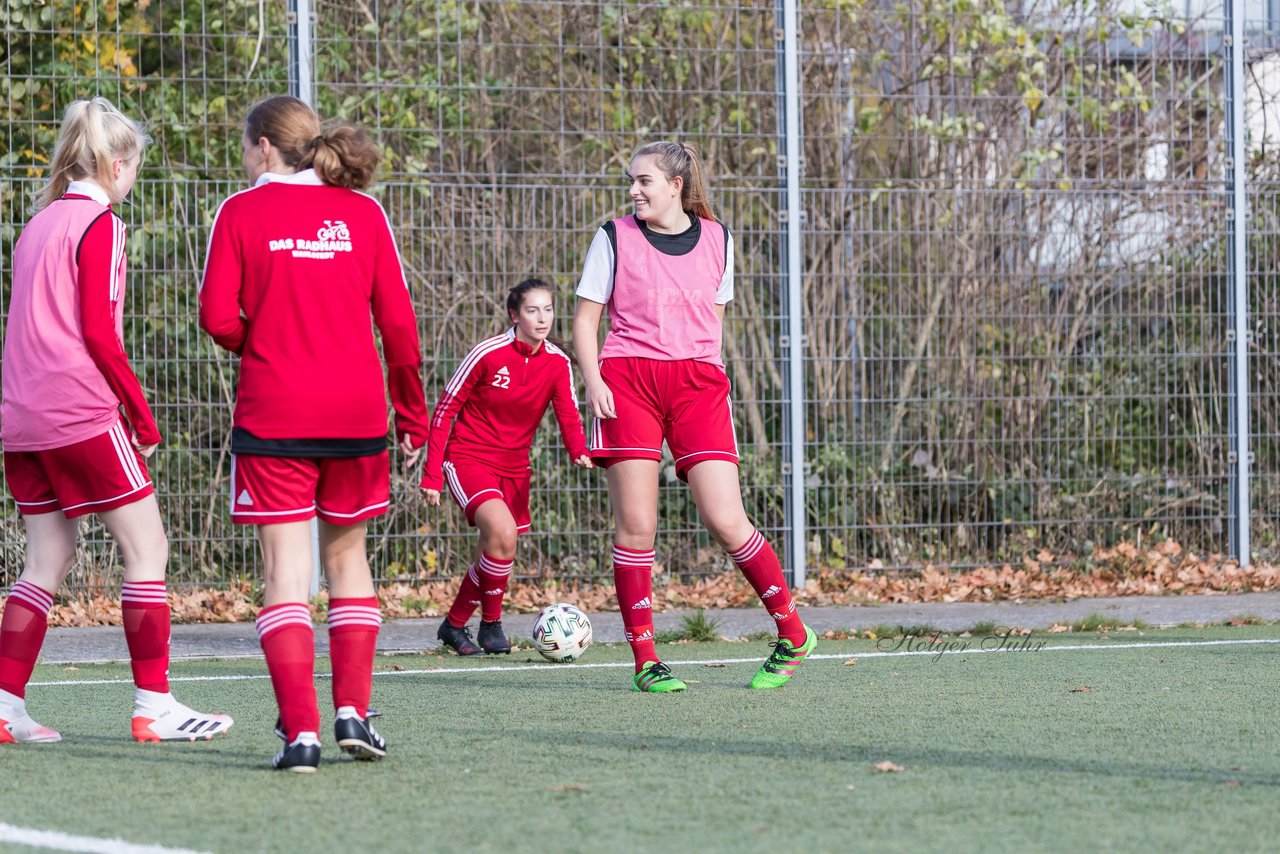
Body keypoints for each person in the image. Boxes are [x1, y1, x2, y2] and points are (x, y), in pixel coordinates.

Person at [199, 96, 429, 772]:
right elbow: (401, 329)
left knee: (285, 574)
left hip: (276, 415)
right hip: (357, 416)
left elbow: (217, 319)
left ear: (264, 148)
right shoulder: (364, 213)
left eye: (246, 146)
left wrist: (266, 342)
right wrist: (411, 413)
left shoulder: (240, 212)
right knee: (348, 562)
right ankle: (353, 712)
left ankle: (300, 734)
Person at [0, 97, 234, 744]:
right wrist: (141, 414)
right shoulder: (101, 226)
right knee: (147, 549)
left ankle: (4, 703)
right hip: (79, 409)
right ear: (117, 164)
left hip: (20, 418)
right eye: (134, 165)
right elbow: (100, 335)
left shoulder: (37, 225)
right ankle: (154, 703)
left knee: (46, 558)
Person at [573, 141, 817, 693]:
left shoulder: (719, 239)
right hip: (627, 382)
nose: (633, 190)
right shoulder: (612, 237)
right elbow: (586, 322)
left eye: (644, 182)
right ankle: (645, 660)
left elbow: (715, 322)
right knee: (637, 526)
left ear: (676, 185)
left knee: (727, 520)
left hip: (698, 385)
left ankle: (793, 632)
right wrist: (593, 383)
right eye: (632, 181)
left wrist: (707, 378)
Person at [420, 278, 593, 656]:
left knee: (494, 547)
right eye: (532, 310)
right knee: (504, 532)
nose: (542, 317)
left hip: (514, 468)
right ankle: (491, 626)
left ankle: (453, 625)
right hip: (468, 457)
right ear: (514, 315)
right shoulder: (487, 353)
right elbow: (446, 410)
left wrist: (578, 449)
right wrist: (432, 474)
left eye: (548, 309)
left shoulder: (557, 363)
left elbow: (568, 413)